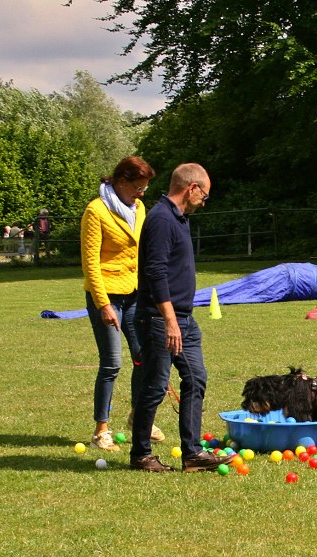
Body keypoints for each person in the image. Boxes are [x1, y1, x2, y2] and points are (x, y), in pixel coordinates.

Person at [129, 163, 236, 473]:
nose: (204, 202)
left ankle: (192, 454)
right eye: (205, 195)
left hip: (183, 319)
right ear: (191, 189)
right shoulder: (161, 219)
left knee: (195, 378)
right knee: (156, 385)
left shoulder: (180, 218)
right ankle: (141, 455)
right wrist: (170, 320)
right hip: (160, 319)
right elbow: (155, 272)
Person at [81, 156, 165, 452]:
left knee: (143, 356)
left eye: (145, 187)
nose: (142, 193)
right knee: (112, 363)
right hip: (106, 295)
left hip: (135, 295)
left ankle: (136, 416)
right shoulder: (96, 210)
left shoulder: (139, 208)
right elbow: (90, 262)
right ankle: (101, 430)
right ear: (120, 182)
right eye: (138, 187)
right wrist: (102, 304)